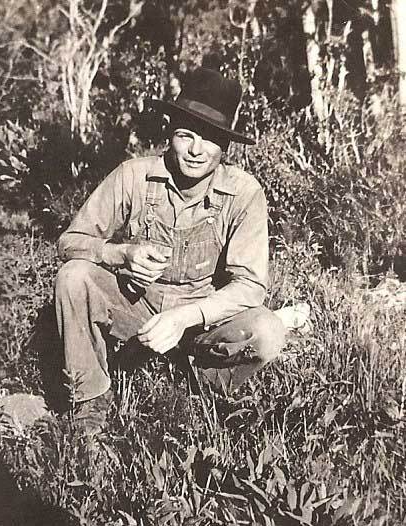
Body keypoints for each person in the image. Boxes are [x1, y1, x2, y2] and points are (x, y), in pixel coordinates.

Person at [55, 67, 287, 431]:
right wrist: (122, 254)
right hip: (136, 310)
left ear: (225, 147)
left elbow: (251, 286)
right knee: (74, 276)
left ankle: (201, 387)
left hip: (202, 321)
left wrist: (183, 318)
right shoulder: (133, 175)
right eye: (185, 135)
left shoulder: (244, 192)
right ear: (169, 133)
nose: (196, 150)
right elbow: (69, 243)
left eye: (210, 139)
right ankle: (91, 401)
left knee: (267, 331)